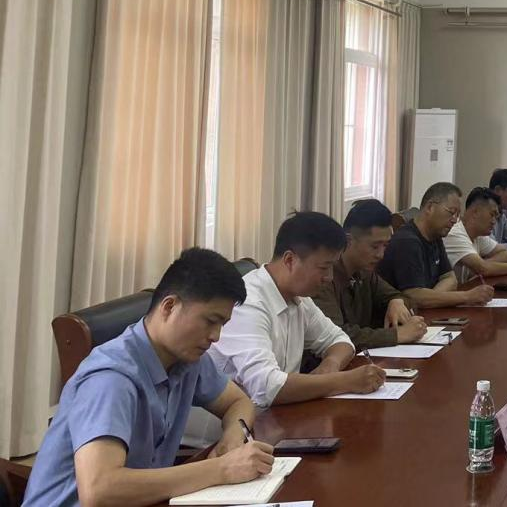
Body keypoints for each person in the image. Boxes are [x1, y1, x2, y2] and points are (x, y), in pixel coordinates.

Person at [23, 249, 275, 506]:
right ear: (169, 306)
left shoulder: (189, 359)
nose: (216, 336)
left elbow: (238, 402)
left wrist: (233, 436)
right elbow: (99, 491)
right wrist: (221, 469)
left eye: (222, 324)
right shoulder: (111, 379)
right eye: (210, 321)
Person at [209, 212, 387, 409]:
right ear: (289, 260)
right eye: (323, 268)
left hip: (280, 415)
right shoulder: (247, 303)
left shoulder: (299, 298)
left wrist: (330, 365)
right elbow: (267, 387)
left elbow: (340, 340)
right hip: (233, 424)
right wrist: (345, 381)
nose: (329, 277)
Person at [312, 199, 428, 351]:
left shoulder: (365, 272)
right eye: (374, 246)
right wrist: (397, 335)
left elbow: (405, 298)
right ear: (348, 241)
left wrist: (397, 302)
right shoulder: (324, 276)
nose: (381, 255)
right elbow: (335, 334)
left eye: (385, 246)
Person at [379, 182, 496, 308]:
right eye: (451, 212)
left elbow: (450, 279)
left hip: (425, 313)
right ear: (430, 207)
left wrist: (430, 298)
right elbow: (414, 296)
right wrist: (467, 296)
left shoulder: (436, 235)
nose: (454, 220)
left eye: (457, 215)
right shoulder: (407, 242)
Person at [445, 187, 507, 283]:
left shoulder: (478, 235)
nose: (494, 221)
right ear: (475, 212)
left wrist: (480, 268)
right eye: (492, 215)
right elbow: (483, 269)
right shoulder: (455, 234)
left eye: (496, 217)